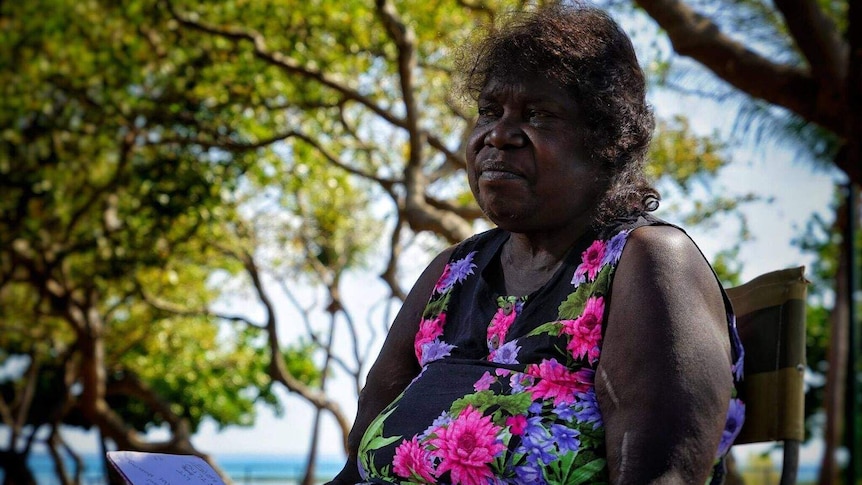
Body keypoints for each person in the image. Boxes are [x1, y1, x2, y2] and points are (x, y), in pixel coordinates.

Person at [327, 4, 745, 484]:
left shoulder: (647, 262)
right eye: (488, 111)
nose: (498, 135)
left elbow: (662, 476)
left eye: (538, 115)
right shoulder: (451, 274)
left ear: (605, 139)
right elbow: (353, 469)